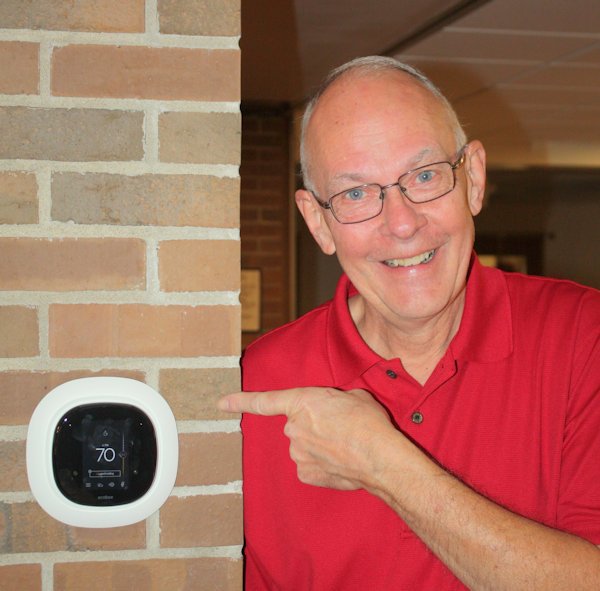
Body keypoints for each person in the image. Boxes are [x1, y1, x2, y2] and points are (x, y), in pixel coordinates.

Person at [219, 56, 600, 590]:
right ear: (317, 223)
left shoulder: (584, 337)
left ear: (473, 179)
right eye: (355, 193)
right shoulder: (257, 385)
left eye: (424, 176)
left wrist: (385, 466)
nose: (401, 223)